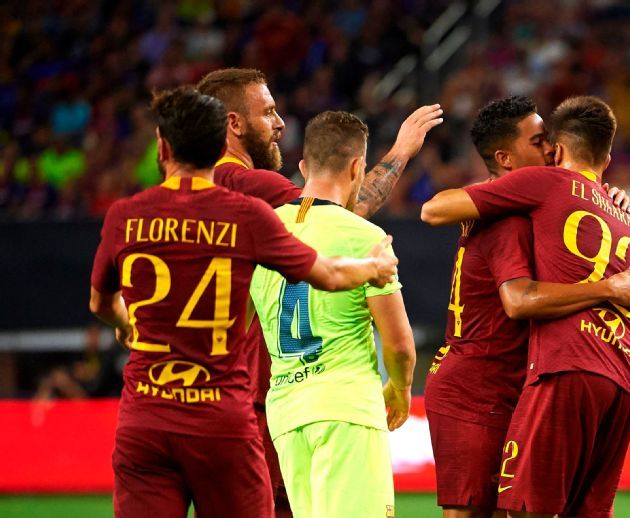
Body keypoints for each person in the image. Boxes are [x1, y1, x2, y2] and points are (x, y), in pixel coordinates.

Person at [87, 88, 397, 518]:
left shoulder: (125, 216)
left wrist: (126, 324)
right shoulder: (246, 215)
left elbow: (101, 303)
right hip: (221, 419)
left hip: (146, 415)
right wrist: (373, 267)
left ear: (162, 146)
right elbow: (327, 273)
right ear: (220, 144)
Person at [196, 67, 441, 516]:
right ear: (234, 123)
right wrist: (401, 152)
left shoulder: (198, 191)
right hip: (308, 398)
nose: (279, 123)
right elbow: (334, 213)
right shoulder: (253, 188)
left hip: (267, 399)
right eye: (267, 112)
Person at [423, 96, 630, 518]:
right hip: (478, 386)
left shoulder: (544, 200)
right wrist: (605, 288)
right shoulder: (511, 213)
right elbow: (517, 299)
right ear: (505, 158)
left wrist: (598, 191)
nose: (550, 149)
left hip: (530, 377)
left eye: (550, 141)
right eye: (538, 141)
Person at [248, 111, 417, 518]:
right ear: (358, 167)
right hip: (346, 409)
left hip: (286, 412)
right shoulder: (365, 237)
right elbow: (399, 345)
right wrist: (401, 388)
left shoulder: (262, 231)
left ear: (304, 167)